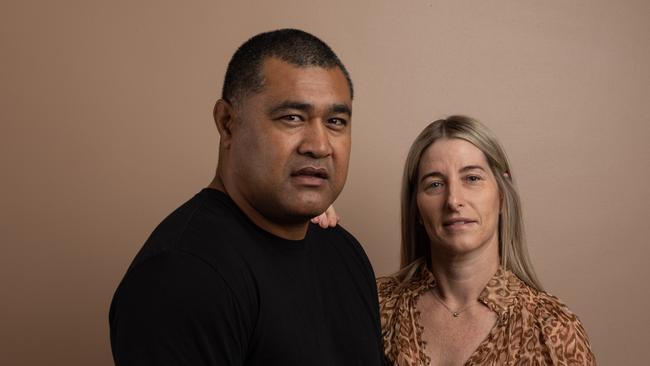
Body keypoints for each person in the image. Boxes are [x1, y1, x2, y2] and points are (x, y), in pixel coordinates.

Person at [109, 29, 384, 366]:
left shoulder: (344, 253)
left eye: (336, 121)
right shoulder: (181, 276)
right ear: (227, 124)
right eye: (292, 118)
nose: (319, 145)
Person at [377, 116, 596, 365]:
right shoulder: (377, 306)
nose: (453, 200)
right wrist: (321, 217)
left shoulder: (552, 329)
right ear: (416, 206)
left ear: (502, 194)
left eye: (472, 178)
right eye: (435, 184)